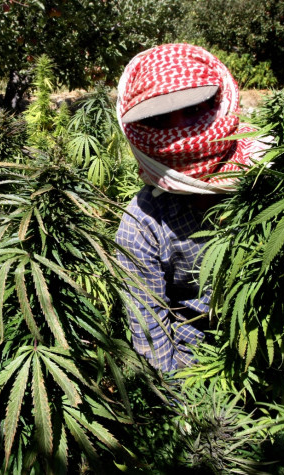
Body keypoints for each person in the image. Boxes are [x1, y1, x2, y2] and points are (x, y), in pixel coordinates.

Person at [115, 44, 271, 372]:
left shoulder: (267, 175)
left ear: (217, 103)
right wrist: (184, 413)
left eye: (192, 109)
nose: (181, 134)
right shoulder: (141, 225)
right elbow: (152, 338)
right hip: (197, 365)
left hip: (271, 348)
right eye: (160, 120)